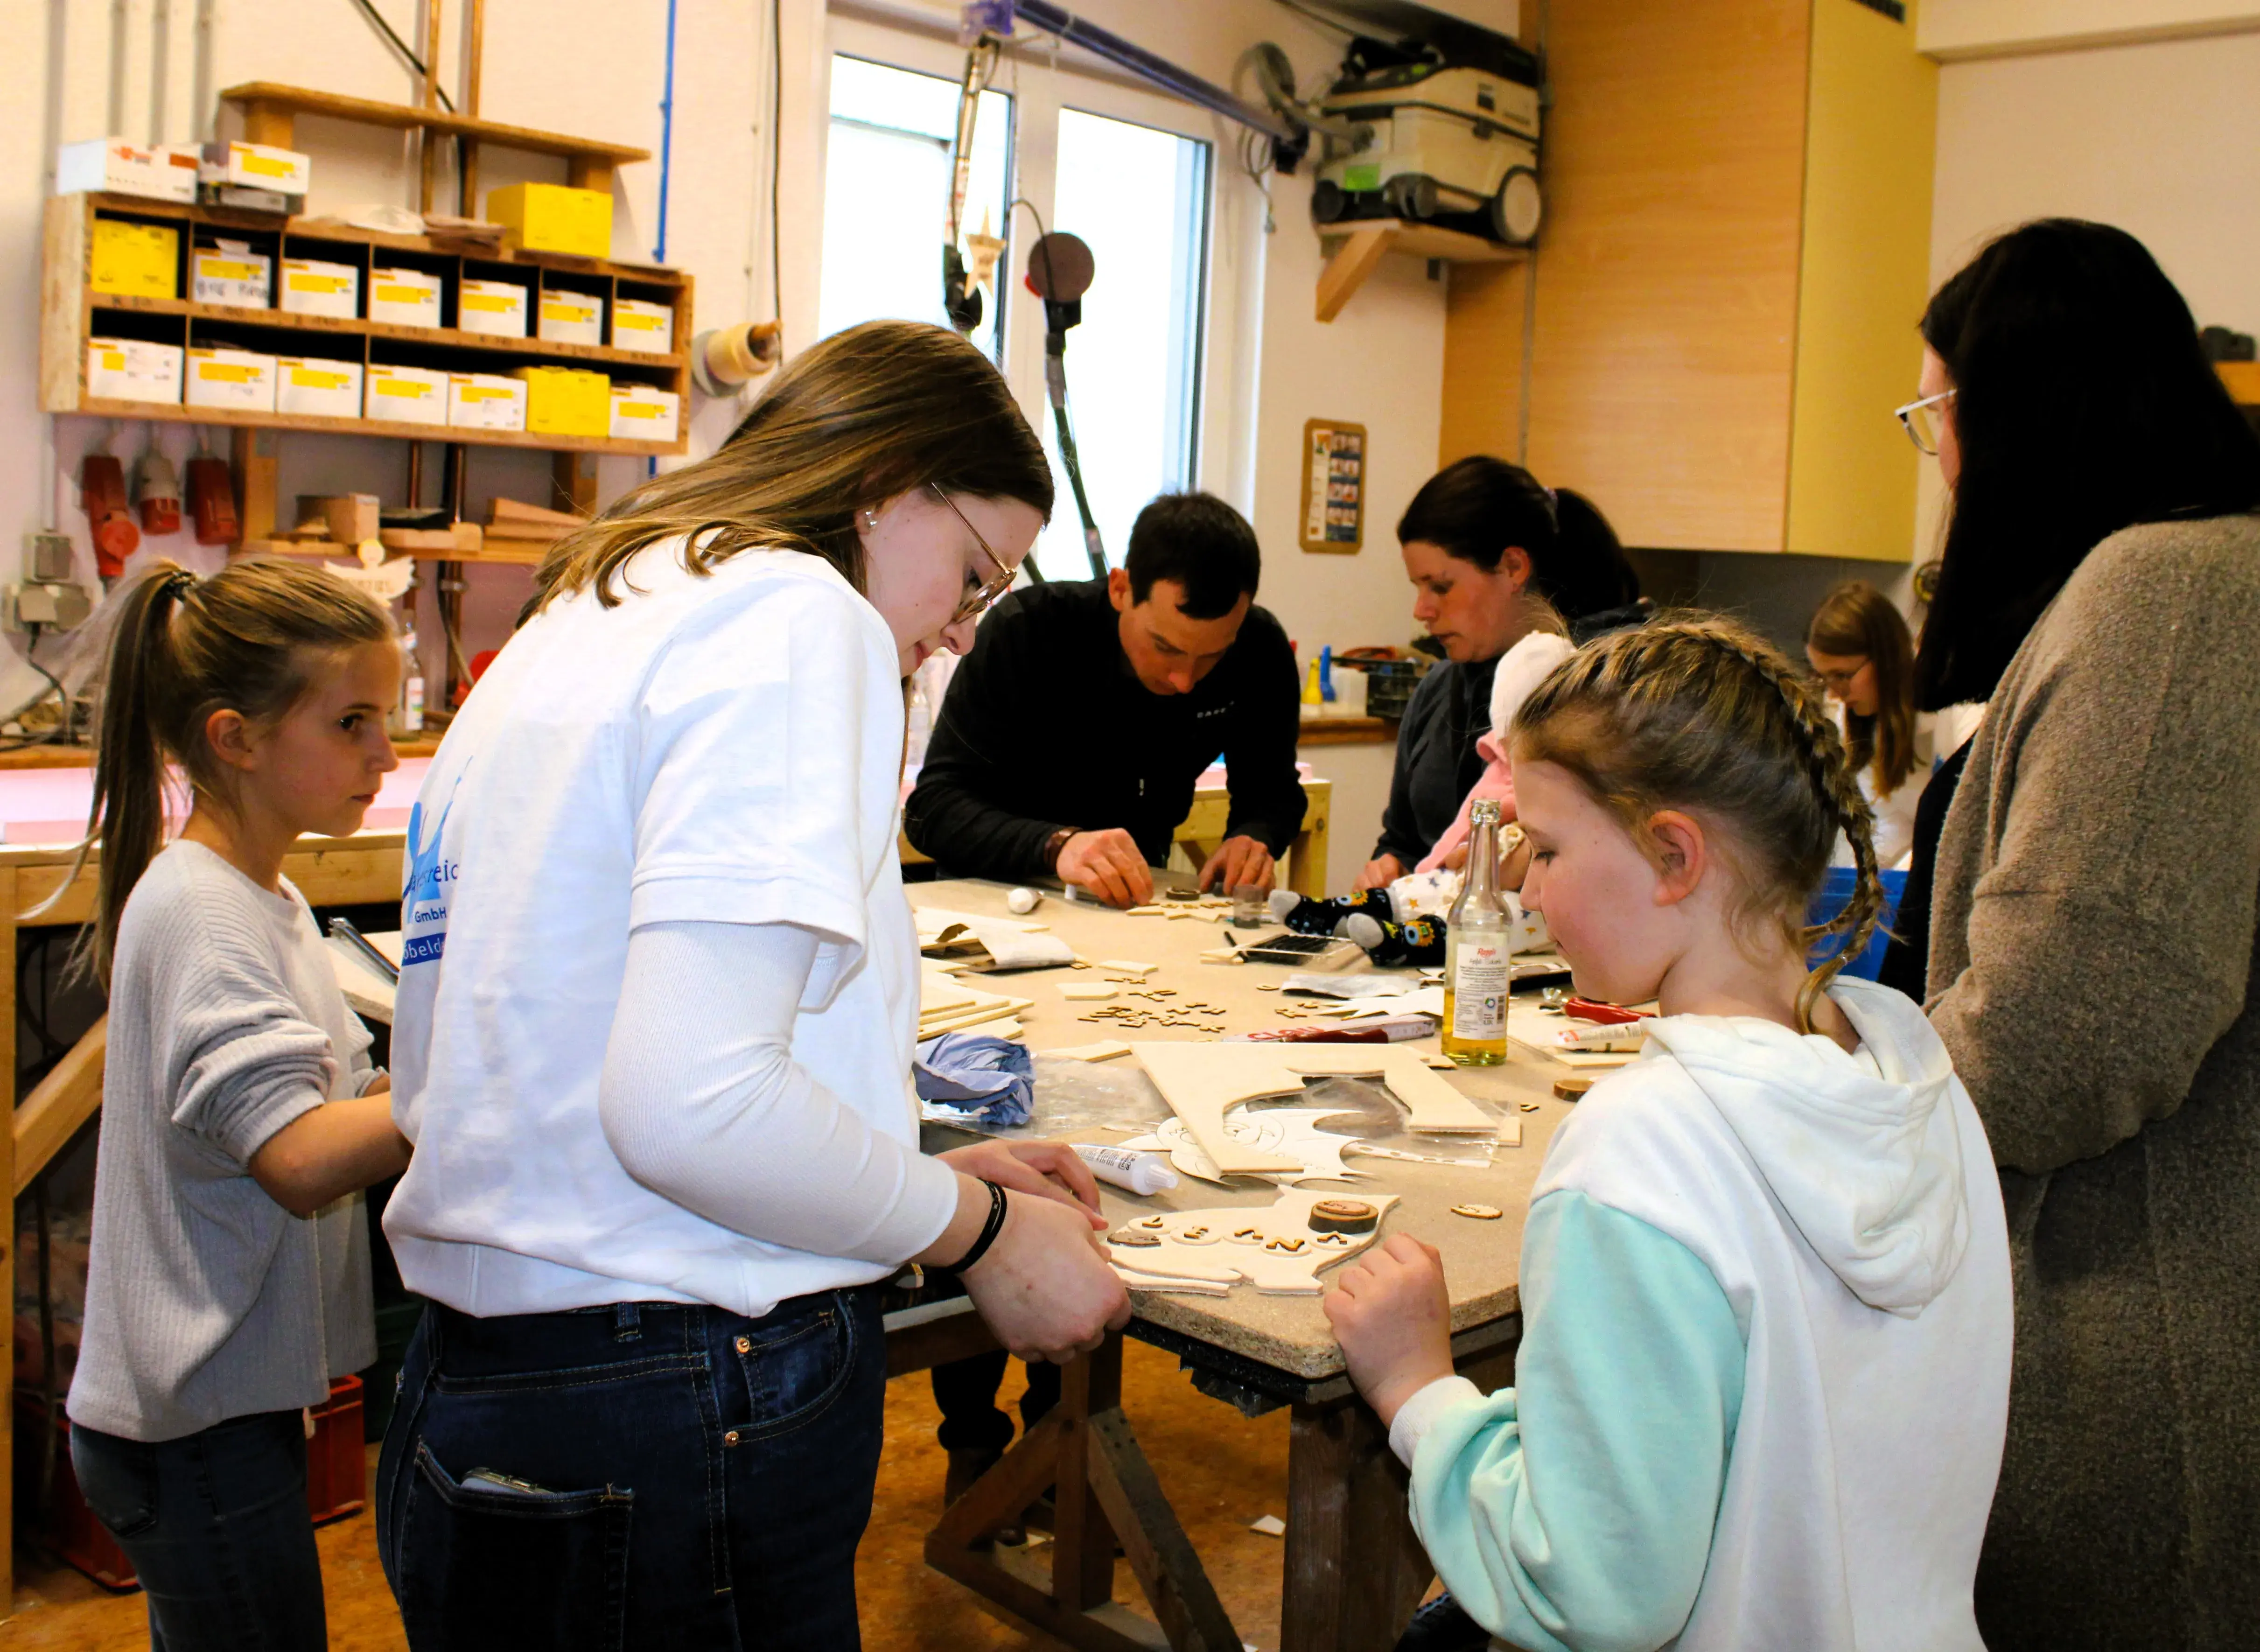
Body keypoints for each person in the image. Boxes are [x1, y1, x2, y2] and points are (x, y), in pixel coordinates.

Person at [374, 321, 1130, 1648]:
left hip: (488, 1377)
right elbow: (689, 1105)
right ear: (887, 484)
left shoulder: (592, 607)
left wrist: (918, 1168)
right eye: (970, 574)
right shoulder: (796, 612)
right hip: (672, 1389)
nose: (959, 633)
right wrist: (981, 1233)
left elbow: (611, 1038)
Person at [1329, 616, 2012, 1652]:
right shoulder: (1920, 1081)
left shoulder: (1644, 1149)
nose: (1526, 888)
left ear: (1673, 854)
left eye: (1549, 849)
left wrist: (1421, 1396)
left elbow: (1595, 1589)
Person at [1906, 219, 2260, 1651]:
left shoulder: (2166, 596)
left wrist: (1831, 1097)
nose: (1934, 452)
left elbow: (2067, 1031)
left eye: (1936, 409)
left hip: (2140, 1344)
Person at [64, 559, 414, 1652]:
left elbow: (333, 1094)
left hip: (219, 1413)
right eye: (352, 721)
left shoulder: (268, 892)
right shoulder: (205, 913)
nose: (385, 754)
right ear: (235, 737)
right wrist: (479, 1086)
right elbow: (300, 1157)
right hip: (193, 1428)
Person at [904, 490, 1304, 908]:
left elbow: (1272, 791)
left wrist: (1254, 836)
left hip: (1136, 904)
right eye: (1164, 647)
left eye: (1211, 657)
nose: (1184, 680)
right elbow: (933, 809)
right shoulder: (1030, 631)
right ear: (1120, 589)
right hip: (999, 898)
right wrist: (1057, 845)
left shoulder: (1259, 649)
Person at [1358, 457, 1641, 890]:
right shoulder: (1435, 690)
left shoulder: (1603, 692)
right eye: (1417, 588)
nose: (1422, 610)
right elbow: (1403, 842)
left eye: (1440, 587)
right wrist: (1388, 870)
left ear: (1513, 568)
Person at [1267, 617, 1574, 965]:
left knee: (1505, 920)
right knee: (1414, 890)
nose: (1421, 610)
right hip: (1465, 876)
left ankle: (1409, 942)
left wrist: (1485, 860)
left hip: (1526, 904)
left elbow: (1510, 868)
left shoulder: (1566, 790)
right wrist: (1451, 863)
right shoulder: (1500, 763)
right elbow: (1453, 842)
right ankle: (1333, 914)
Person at [1805, 580, 1921, 868]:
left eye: (1842, 676)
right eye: (1825, 678)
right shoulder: (1845, 718)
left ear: (1885, 659)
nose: (1834, 693)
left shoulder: (1950, 718)